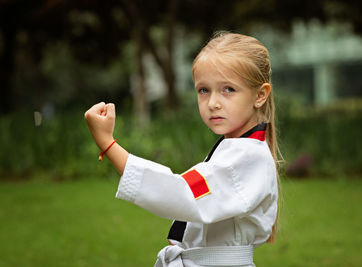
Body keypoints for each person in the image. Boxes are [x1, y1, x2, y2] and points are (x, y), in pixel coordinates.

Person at [84, 32, 281, 267]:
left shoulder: (248, 156)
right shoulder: (235, 149)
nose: (213, 102)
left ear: (260, 95)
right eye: (203, 90)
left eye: (228, 89)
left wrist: (108, 144)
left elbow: (182, 193)